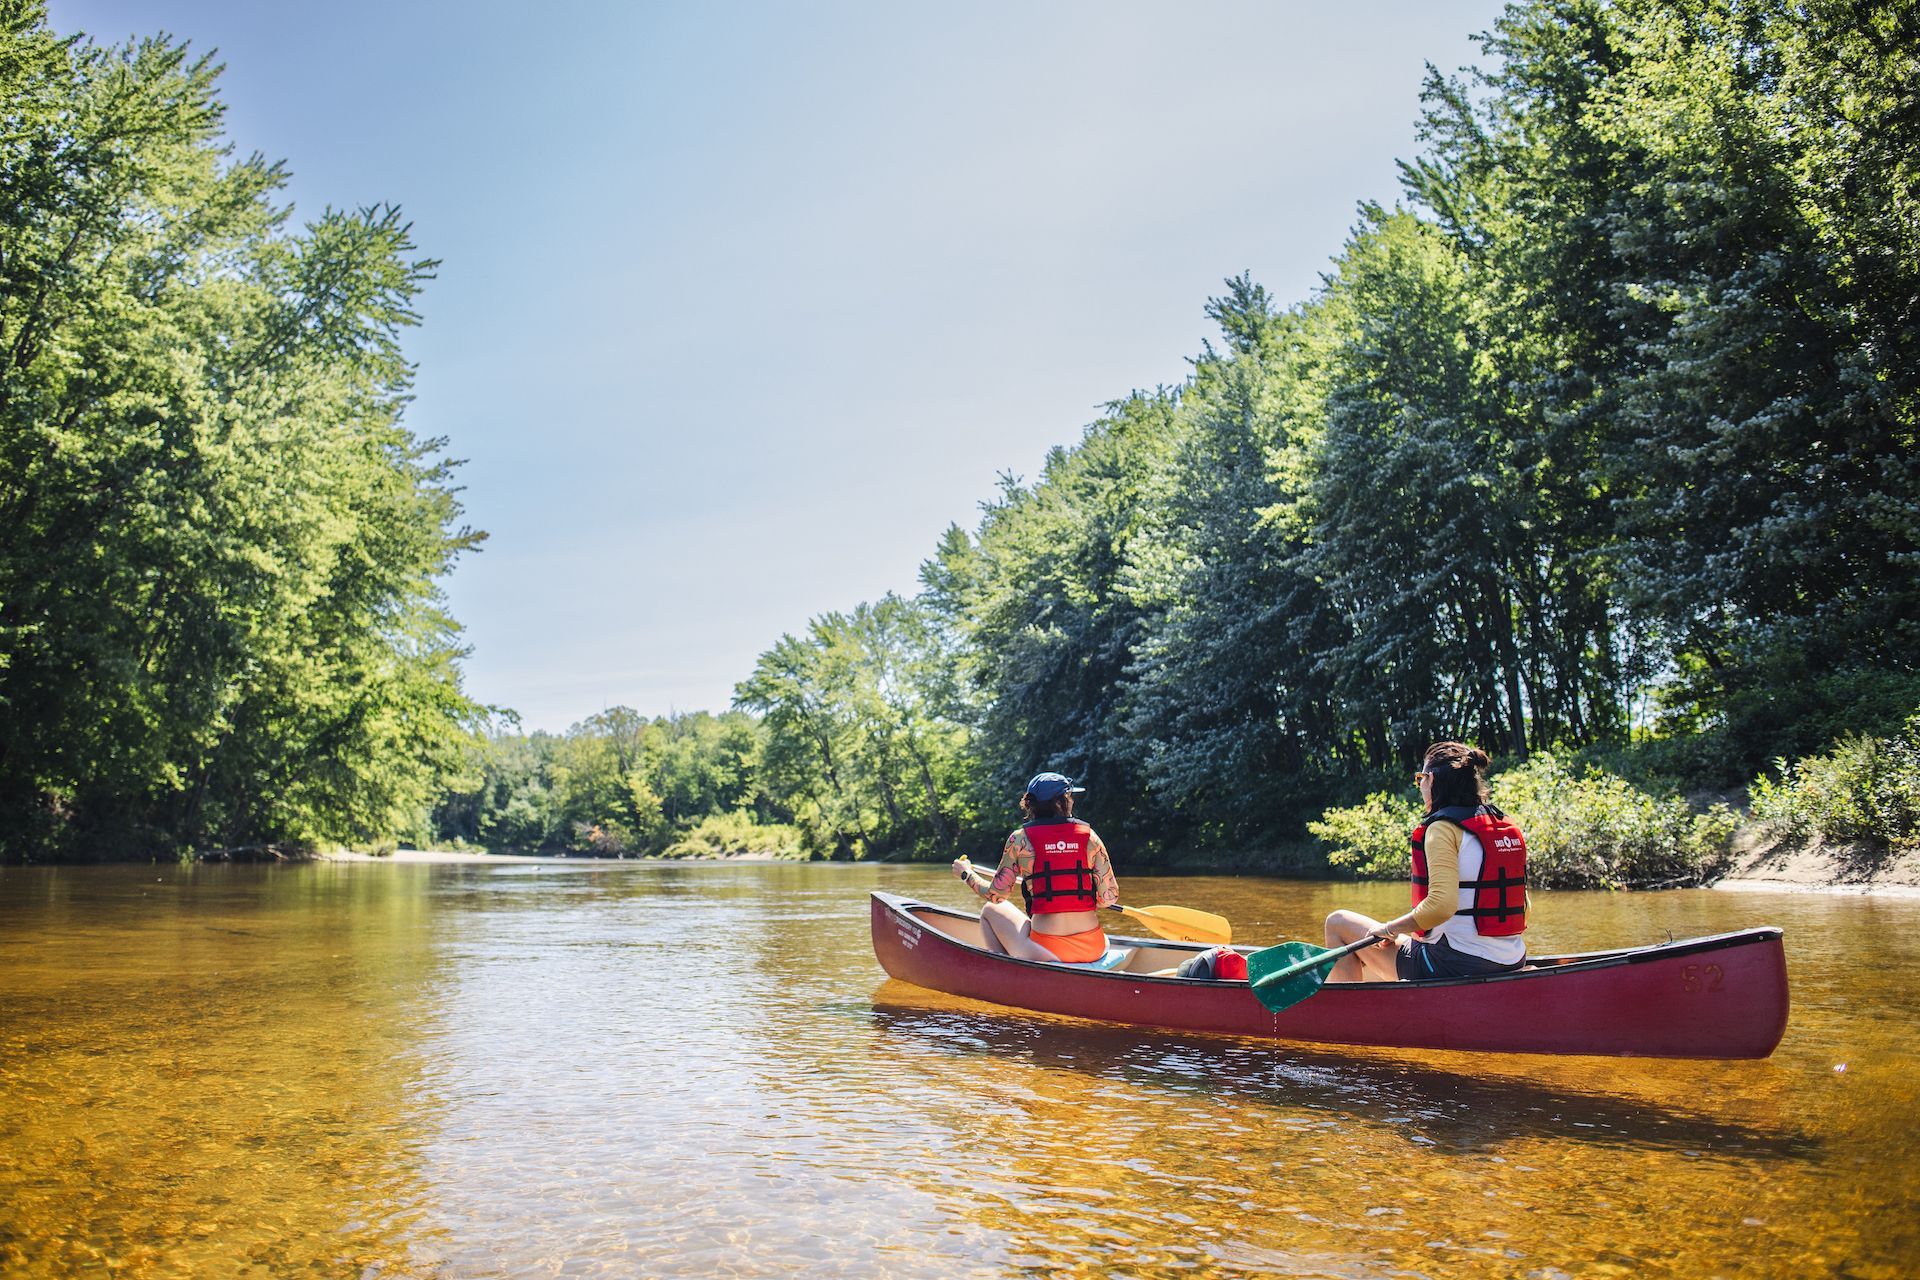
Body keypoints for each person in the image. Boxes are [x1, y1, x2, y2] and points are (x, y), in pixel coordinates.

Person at [1322, 741, 1529, 983]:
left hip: (1454, 963)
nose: (1419, 785)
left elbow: (1441, 906)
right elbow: (1520, 902)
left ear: (1431, 780)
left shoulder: (1442, 829)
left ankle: (1351, 1014)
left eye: (1420, 778)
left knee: (1337, 922)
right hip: (1512, 958)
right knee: (1417, 939)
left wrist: (1389, 929)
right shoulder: (1503, 826)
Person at [952, 771, 1119, 963]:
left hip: (1047, 950)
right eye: (1069, 796)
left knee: (990, 910)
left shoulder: (1019, 840)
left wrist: (966, 874)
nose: (1071, 801)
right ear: (1060, 802)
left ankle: (1006, 973)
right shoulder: (1090, 837)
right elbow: (1109, 898)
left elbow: (996, 896)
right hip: (1093, 947)